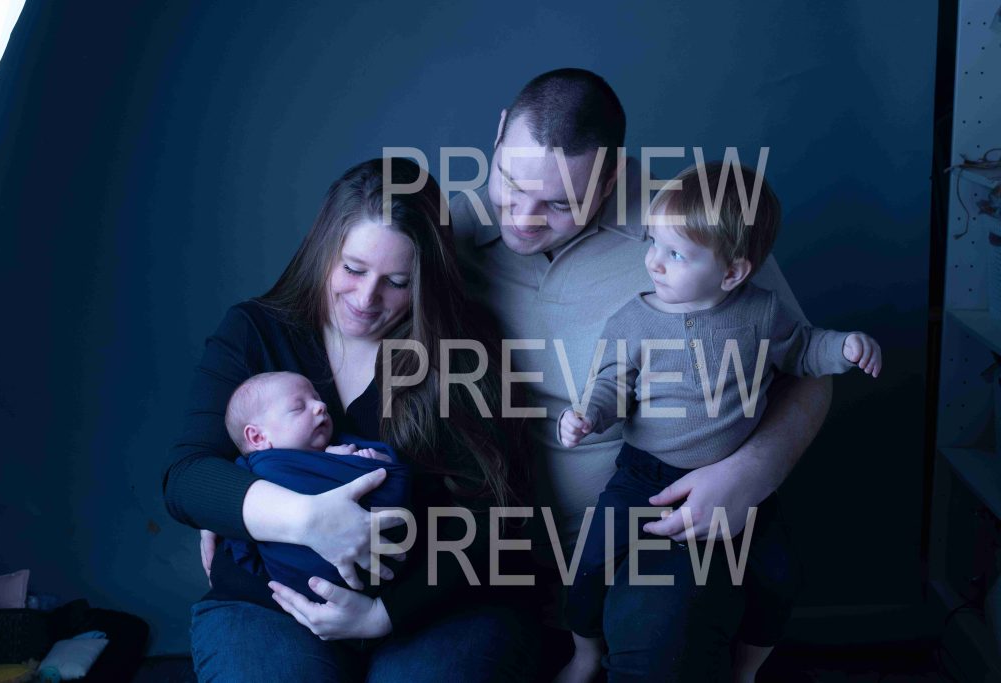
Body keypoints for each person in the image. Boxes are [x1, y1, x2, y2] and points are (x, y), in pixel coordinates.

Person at [449, 68, 835, 682]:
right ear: (498, 134)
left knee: (662, 643)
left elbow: (807, 369)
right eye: (510, 183)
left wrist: (750, 473)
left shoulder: (688, 230)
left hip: (653, 524)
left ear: (611, 176)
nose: (523, 216)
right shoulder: (450, 230)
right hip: (488, 543)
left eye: (558, 203)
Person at [163, 157, 535, 682]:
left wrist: (385, 614)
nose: (366, 299)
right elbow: (188, 477)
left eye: (398, 282)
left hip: (432, 603)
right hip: (271, 603)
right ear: (324, 250)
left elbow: (500, 511)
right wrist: (304, 519)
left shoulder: (462, 346)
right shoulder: (256, 331)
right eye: (354, 269)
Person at [556, 162, 882, 683]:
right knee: (591, 561)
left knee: (779, 574)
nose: (654, 261)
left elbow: (804, 350)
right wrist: (587, 415)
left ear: (732, 273)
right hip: (644, 476)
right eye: (653, 243)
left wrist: (844, 347)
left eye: (676, 253)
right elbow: (611, 385)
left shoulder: (761, 313)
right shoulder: (633, 321)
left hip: (731, 479)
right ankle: (584, 653)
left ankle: (746, 668)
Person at [222, 370, 411, 600]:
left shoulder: (342, 446)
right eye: (298, 407)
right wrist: (349, 462)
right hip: (306, 583)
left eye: (317, 398)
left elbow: (391, 478)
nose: (320, 406)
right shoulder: (261, 472)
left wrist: (369, 459)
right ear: (258, 437)